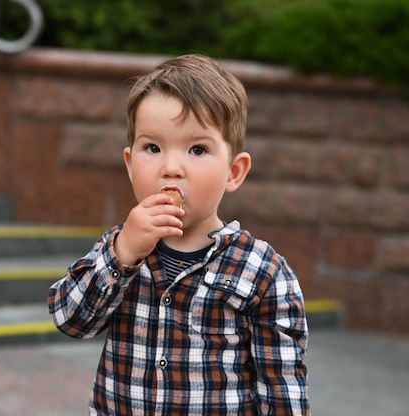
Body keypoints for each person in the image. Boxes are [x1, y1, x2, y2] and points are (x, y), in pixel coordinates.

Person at [48, 54, 310, 415]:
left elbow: (282, 391)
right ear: (129, 163)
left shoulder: (262, 271)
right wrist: (121, 255)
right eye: (152, 148)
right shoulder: (119, 247)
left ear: (234, 172)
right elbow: (71, 320)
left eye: (197, 149)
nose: (171, 168)